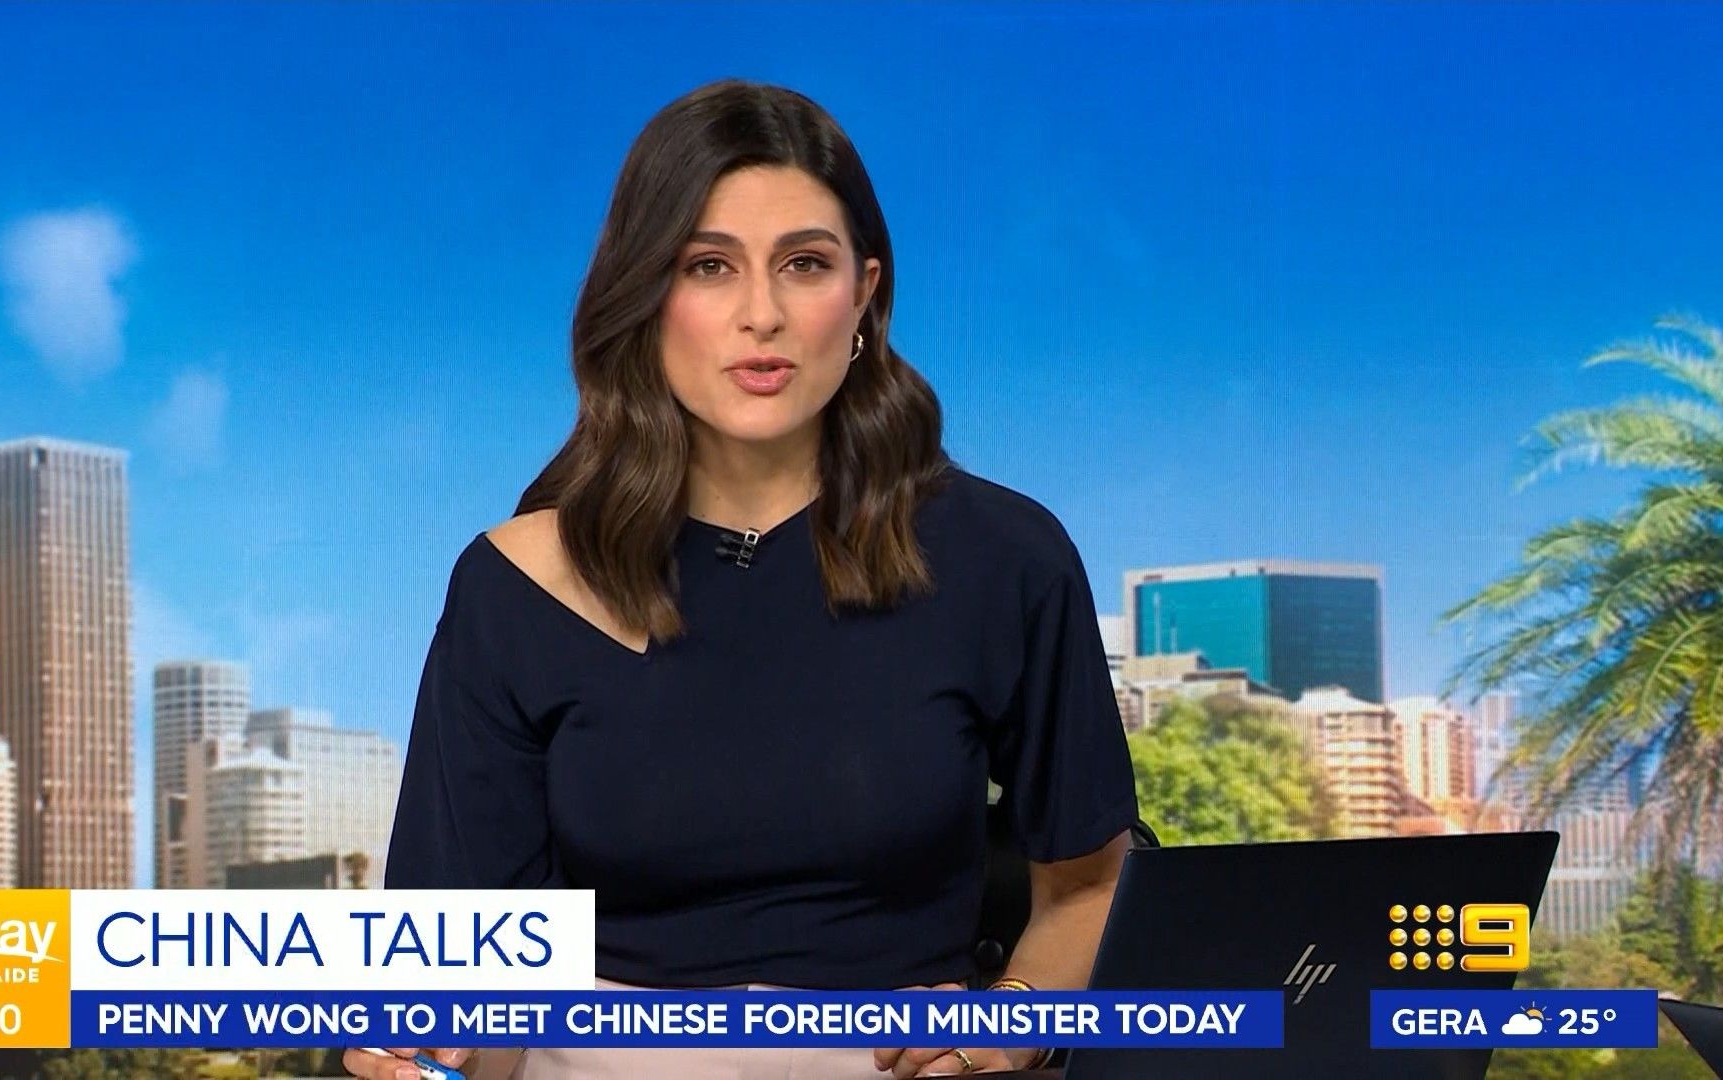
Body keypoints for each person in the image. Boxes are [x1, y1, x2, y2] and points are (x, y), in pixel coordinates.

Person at [344, 78, 1138, 1080]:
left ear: (865, 293)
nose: (761, 315)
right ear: (646, 296)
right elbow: (473, 1001)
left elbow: (1091, 889)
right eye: (709, 267)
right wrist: (431, 1051)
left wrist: (1009, 1026)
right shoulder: (516, 586)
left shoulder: (1004, 557)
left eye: (805, 264)